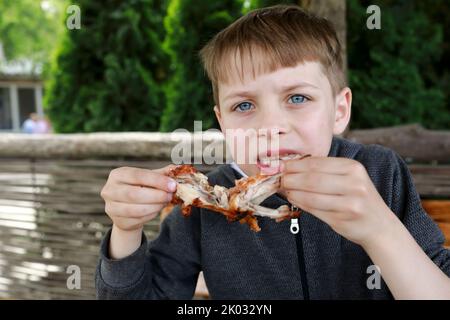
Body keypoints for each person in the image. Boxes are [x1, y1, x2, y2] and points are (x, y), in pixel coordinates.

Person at [95, 5, 450, 299]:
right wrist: (125, 231)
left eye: (298, 98)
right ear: (222, 124)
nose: (270, 126)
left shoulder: (378, 174)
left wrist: (380, 230)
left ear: (339, 110)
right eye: (245, 105)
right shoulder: (204, 209)